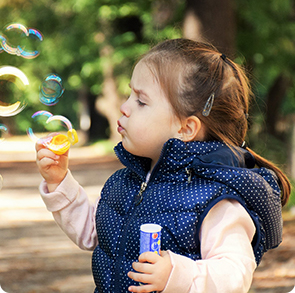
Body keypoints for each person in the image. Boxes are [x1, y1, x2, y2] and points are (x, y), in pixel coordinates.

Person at [36, 38, 291, 293]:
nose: (124, 107)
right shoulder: (126, 181)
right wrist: (59, 182)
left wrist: (176, 274)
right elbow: (95, 232)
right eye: (129, 94)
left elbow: (235, 274)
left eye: (141, 101)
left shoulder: (215, 199)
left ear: (185, 128)